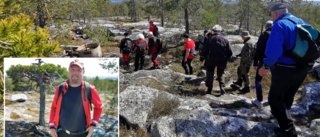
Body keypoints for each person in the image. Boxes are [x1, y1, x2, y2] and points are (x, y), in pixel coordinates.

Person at [258, 3, 310, 137]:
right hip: (302, 67)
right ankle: (283, 120)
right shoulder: (301, 21)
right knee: (288, 96)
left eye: (271, 15)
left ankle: (288, 130)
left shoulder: (279, 24)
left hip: (285, 68)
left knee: (274, 100)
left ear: (275, 13)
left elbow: (273, 51)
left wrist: (265, 66)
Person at [49, 59, 103, 137]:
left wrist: (93, 125)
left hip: (82, 134)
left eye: (78, 70)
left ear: (83, 72)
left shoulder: (89, 89)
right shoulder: (60, 88)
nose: (75, 72)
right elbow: (54, 107)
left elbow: (98, 107)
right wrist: (52, 126)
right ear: (69, 71)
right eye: (72, 70)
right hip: (61, 133)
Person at [200, 25, 232, 95]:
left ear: (213, 31)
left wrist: (201, 58)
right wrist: (227, 58)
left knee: (210, 74)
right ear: (220, 32)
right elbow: (230, 51)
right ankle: (222, 87)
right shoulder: (225, 40)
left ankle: (209, 89)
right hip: (222, 60)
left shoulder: (210, 39)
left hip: (211, 60)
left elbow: (204, 50)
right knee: (220, 74)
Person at [251, 20, 273, 107]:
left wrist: (255, 63)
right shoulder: (278, 34)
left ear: (265, 27)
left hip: (264, 60)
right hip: (276, 61)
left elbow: (259, 50)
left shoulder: (264, 34)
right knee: (275, 81)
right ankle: (272, 100)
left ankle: (259, 100)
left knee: (258, 80)